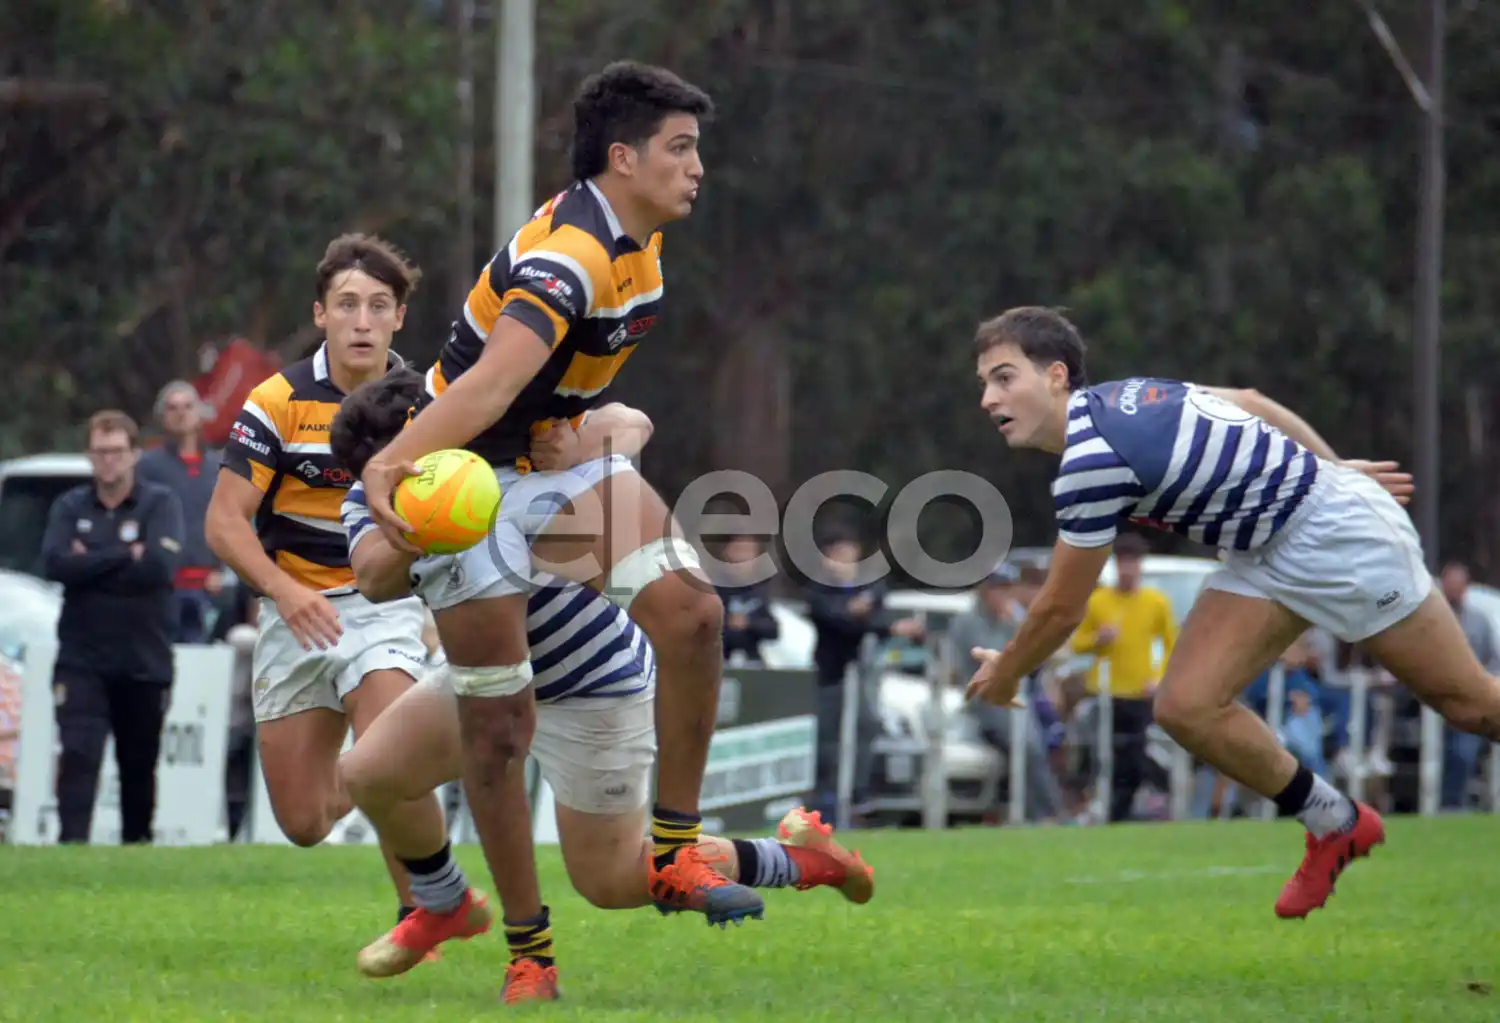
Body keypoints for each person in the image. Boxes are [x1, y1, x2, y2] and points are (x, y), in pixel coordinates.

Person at [355, 62, 756, 923]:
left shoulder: (639, 237)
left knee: (693, 615)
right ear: (622, 158)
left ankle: (679, 850)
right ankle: (507, 938)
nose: (697, 168)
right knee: (491, 733)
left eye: (696, 149)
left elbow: (550, 388)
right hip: (465, 473)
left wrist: (586, 423)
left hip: (546, 466)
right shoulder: (568, 259)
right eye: (679, 149)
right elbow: (491, 387)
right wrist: (391, 465)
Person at [331, 369, 873, 1004]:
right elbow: (371, 576)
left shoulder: (510, 448)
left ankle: (804, 860)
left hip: (591, 685)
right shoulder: (373, 501)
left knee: (611, 882)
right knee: (369, 774)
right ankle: (446, 901)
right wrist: (423, 515)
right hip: (485, 684)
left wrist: (580, 446)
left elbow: (631, 421)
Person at [965, 305, 1500, 919]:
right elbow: (1249, 399)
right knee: (1186, 707)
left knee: (1473, 707)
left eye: (1003, 377)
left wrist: (1008, 671)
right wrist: (1332, 465)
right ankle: (1337, 823)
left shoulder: (1090, 461)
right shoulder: (1128, 396)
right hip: (1267, 551)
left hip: (1340, 541)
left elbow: (1061, 608)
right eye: (984, 382)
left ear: (1056, 375)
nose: (988, 398)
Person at [205, 234, 489, 947]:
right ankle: (372, 797)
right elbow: (223, 520)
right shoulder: (277, 400)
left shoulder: (428, 402)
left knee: (389, 745)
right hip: (294, 610)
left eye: (378, 306)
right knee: (302, 821)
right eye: (347, 305)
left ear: (398, 318)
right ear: (321, 315)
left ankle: (426, 907)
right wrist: (282, 589)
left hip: (389, 604)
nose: (362, 320)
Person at [41, 410, 185, 843]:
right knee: (78, 756)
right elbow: (54, 563)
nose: (109, 461)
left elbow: (160, 567)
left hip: (144, 659)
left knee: (138, 765)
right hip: (81, 658)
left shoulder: (160, 503)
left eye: (118, 452)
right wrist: (125, 554)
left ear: (135, 455)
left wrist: (90, 559)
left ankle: (136, 851)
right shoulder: (69, 506)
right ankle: (70, 851)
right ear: (89, 455)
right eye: (101, 452)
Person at [1069, 532, 1176, 822]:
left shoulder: (1155, 602)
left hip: (1140, 693)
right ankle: (1104, 811)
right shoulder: (1099, 601)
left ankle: (1123, 813)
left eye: (1134, 563)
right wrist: (1097, 639)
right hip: (1105, 692)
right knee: (1103, 756)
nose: (1129, 569)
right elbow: (1077, 643)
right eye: (1124, 563)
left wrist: (1159, 677)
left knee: (1135, 758)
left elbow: (1172, 644)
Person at [137, 380, 225, 642]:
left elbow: (232, 520)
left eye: (188, 406)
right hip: (160, 589)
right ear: (162, 417)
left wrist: (222, 570)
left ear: (200, 414)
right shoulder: (147, 467)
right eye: (172, 408)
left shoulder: (219, 467)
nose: (181, 413)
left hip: (209, 590)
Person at [713, 534, 780, 665]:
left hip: (751, 660)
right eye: (738, 550)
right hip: (718, 660)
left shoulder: (759, 591)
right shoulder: (714, 588)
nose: (743, 557)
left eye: (749, 551)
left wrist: (749, 623)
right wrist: (727, 622)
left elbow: (773, 630)